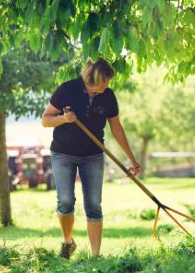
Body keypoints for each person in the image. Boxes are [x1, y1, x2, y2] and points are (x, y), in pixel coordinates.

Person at [41, 58, 141, 259]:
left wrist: (132, 159)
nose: (108, 85)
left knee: (94, 205)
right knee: (66, 202)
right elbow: (45, 120)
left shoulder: (108, 96)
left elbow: (116, 128)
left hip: (93, 155)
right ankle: (68, 243)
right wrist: (63, 119)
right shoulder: (67, 90)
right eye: (106, 81)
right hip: (63, 153)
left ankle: (95, 257)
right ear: (95, 78)